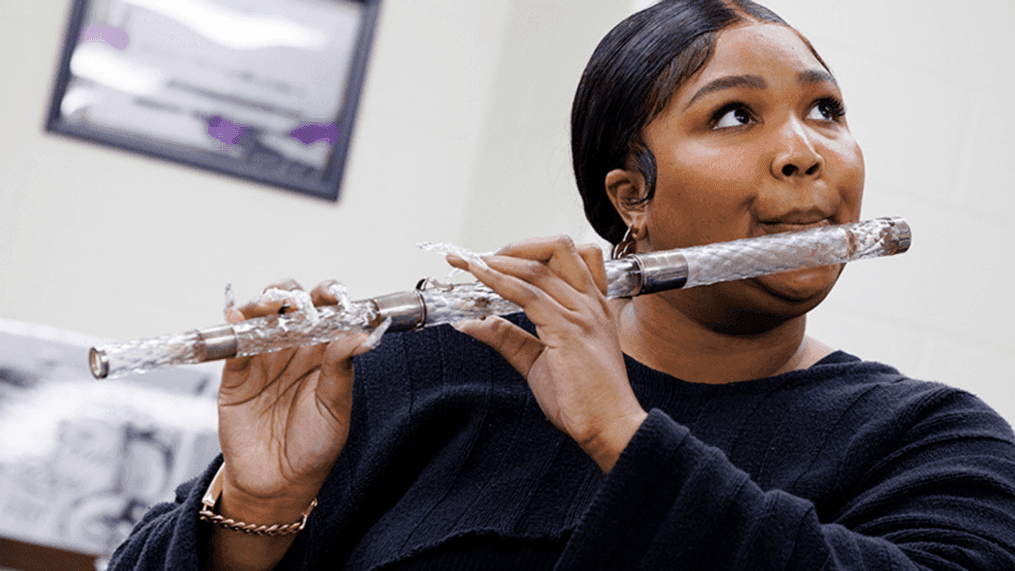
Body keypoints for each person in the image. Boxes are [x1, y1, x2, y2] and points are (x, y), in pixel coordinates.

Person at [107, 1, 1015, 569]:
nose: (803, 150)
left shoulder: (932, 442)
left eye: (826, 109)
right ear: (632, 198)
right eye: (734, 114)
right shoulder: (420, 374)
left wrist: (622, 434)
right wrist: (254, 509)